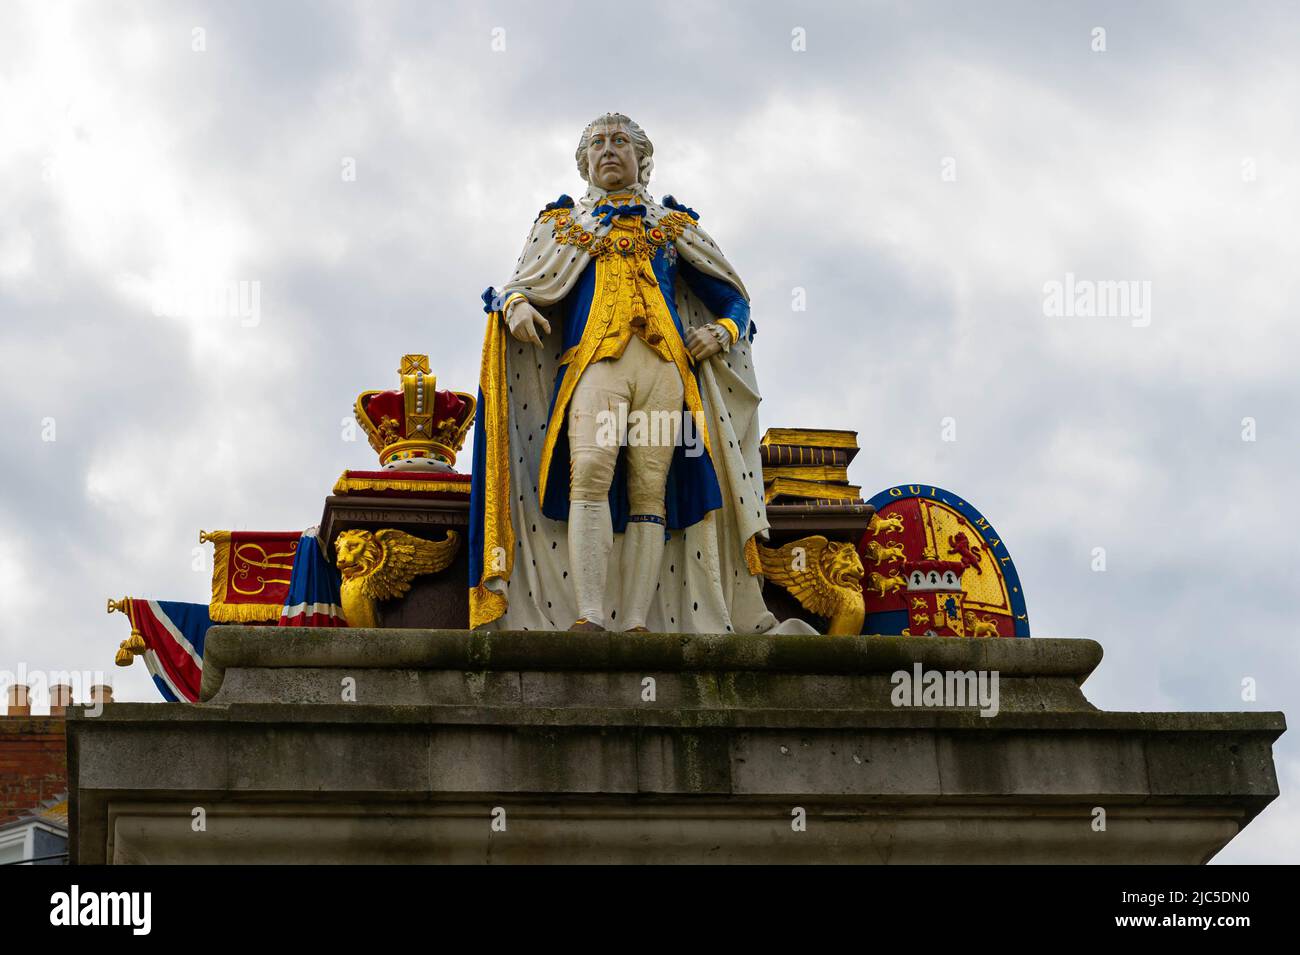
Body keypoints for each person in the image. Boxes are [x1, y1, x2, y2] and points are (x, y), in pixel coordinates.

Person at [468, 112, 814, 636]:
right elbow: (520, 283)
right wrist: (516, 306)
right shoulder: (562, 226)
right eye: (598, 144)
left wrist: (721, 331)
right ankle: (588, 614)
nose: (609, 150)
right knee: (589, 471)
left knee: (650, 488)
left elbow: (732, 297)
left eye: (621, 142)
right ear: (584, 162)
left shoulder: (673, 227)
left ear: (642, 159)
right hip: (596, 365)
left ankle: (633, 621)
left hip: (665, 372)